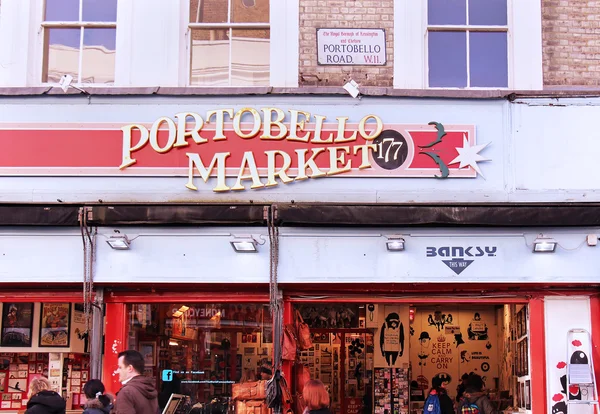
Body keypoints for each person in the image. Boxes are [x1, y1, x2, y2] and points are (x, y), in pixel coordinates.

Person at [112, 349, 159, 414]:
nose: (117, 371)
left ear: (130, 368)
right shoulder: (150, 388)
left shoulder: (126, 392)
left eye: (120, 367)